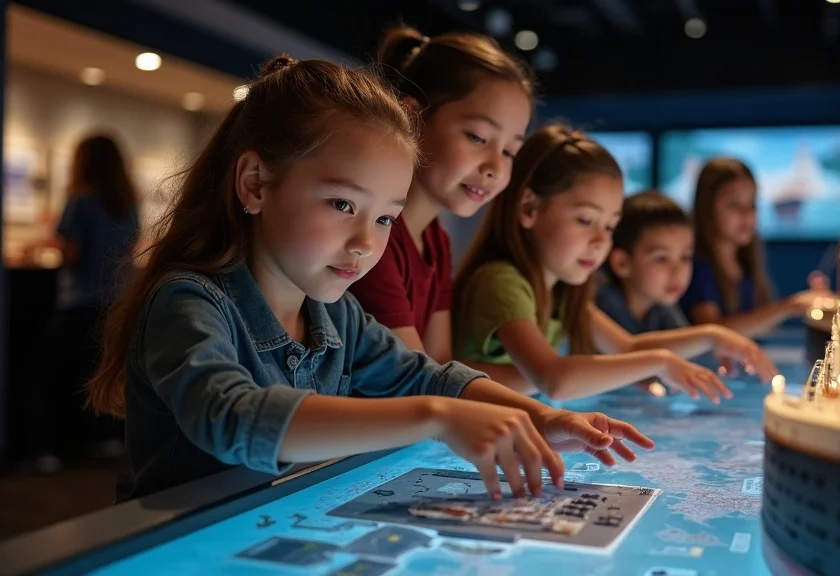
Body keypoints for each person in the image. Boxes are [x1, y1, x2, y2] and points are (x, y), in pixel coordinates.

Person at [87, 57, 653, 502]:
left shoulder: (335, 313)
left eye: (385, 217)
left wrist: (543, 417)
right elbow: (232, 418)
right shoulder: (189, 302)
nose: (366, 241)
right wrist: (438, 419)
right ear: (256, 183)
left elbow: (424, 375)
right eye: (341, 203)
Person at [452, 124, 778, 403]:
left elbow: (626, 346)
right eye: (585, 219)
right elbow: (553, 378)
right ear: (529, 208)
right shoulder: (502, 281)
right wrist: (660, 362)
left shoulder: (563, 290)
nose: (600, 242)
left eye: (609, 226)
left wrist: (712, 336)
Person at [348, 26, 532, 392]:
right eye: (478, 137)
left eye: (510, 151)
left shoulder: (436, 240)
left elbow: (443, 363)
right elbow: (420, 378)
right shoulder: (374, 237)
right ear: (411, 119)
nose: (495, 165)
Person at [26, 134, 140, 473]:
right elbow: (128, 251)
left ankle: (44, 450)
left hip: (79, 302)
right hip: (115, 304)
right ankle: (102, 439)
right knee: (100, 372)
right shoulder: (128, 204)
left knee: (48, 376)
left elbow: (71, 254)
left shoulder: (81, 201)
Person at [679, 157, 830, 337]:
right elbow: (712, 332)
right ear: (706, 206)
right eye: (734, 204)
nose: (747, 214)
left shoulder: (745, 262)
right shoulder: (696, 266)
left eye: (752, 204)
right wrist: (790, 306)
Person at [596, 190, 691, 335]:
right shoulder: (601, 304)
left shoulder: (660, 304)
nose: (677, 271)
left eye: (685, 257)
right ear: (622, 263)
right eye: (661, 259)